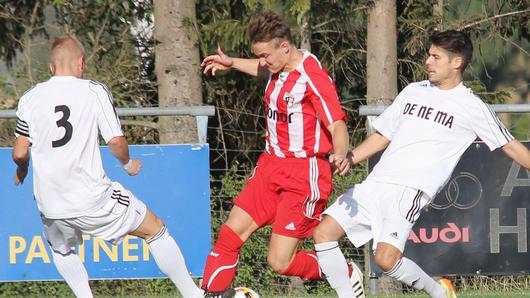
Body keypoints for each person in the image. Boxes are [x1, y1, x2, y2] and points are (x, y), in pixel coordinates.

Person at [313, 29, 530, 298]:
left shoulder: (471, 106)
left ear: (456, 62)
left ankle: (439, 292)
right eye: (429, 55)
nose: (427, 61)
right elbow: (383, 136)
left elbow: (509, 144)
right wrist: (351, 157)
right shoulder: (413, 91)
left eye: (435, 57)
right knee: (323, 233)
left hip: (409, 190)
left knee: (385, 259)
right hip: (376, 183)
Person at [12, 35, 204, 298]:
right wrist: (127, 163)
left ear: (51, 67)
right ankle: (195, 295)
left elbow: (20, 151)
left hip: (50, 202)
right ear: (81, 63)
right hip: (92, 197)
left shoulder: (30, 98)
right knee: (155, 229)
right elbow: (115, 141)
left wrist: (22, 170)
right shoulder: (93, 90)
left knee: (61, 250)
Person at [200, 11, 363, 298]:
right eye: (259, 56)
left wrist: (340, 153)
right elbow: (264, 69)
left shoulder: (311, 76)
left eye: (265, 55)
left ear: (284, 47)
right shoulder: (277, 68)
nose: (263, 62)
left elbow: (337, 122)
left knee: (280, 262)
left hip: (304, 175)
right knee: (228, 236)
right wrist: (233, 63)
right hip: (270, 167)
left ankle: (345, 272)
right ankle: (213, 294)